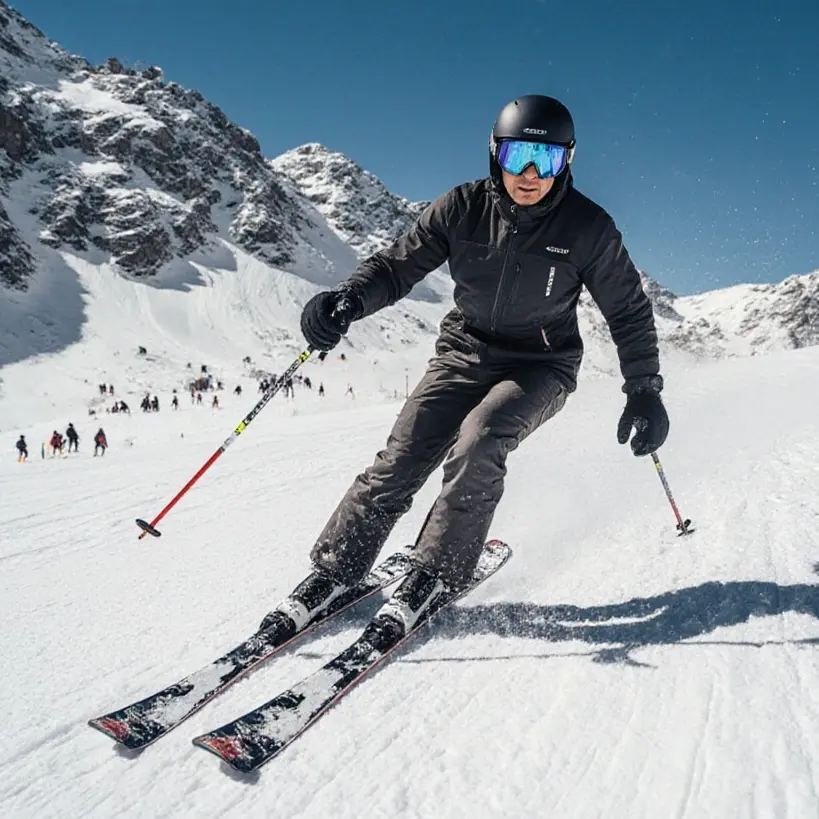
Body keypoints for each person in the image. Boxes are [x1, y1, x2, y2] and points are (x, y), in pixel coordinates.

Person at [258, 94, 670, 639]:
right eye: (517, 156)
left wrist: (643, 387)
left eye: (544, 161)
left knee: (481, 438)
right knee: (402, 456)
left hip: (540, 364)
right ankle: (335, 572)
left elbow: (627, 309)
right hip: (465, 351)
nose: (528, 174)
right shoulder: (461, 207)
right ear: (494, 154)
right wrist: (348, 300)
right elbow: (395, 266)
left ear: (567, 161)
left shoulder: (588, 229)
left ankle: (436, 572)